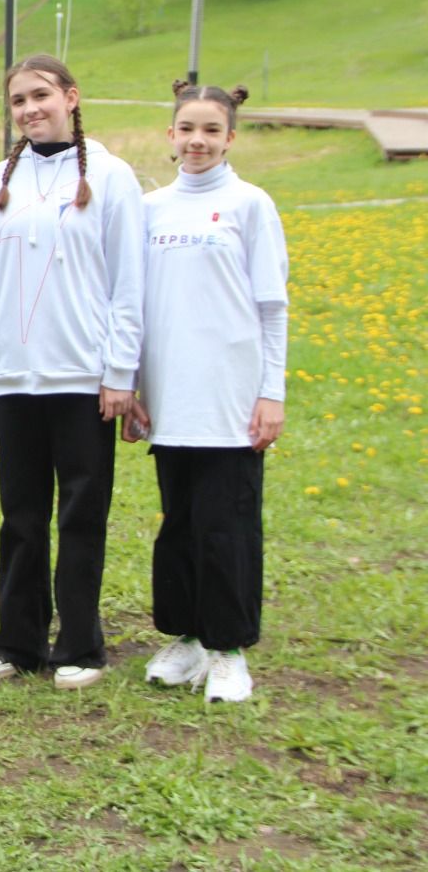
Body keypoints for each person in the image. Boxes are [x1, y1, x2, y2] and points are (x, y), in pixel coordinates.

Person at [0, 54, 145, 690]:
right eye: (18, 100)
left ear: (71, 96)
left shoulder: (114, 179)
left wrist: (121, 371)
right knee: (21, 513)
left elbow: (128, 284)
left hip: (83, 377)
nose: (30, 108)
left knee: (81, 512)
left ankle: (80, 643)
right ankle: (18, 640)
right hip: (14, 377)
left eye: (41, 95)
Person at [126, 83, 286, 703]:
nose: (197, 140)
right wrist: (134, 384)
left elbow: (272, 308)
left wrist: (270, 393)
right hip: (170, 398)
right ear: (171, 135)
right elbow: (136, 306)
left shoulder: (251, 205)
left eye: (211, 131)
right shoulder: (150, 208)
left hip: (231, 398)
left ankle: (227, 651)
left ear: (230, 138)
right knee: (179, 524)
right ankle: (186, 638)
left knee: (228, 526)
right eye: (187, 128)